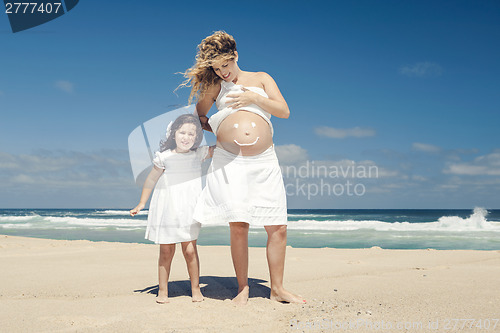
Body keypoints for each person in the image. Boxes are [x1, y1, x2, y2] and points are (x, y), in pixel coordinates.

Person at [180, 31, 306, 305]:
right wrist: (218, 127)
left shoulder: (261, 78)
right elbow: (198, 116)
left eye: (225, 65)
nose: (222, 72)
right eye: (216, 68)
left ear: (235, 56)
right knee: (239, 225)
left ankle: (278, 289)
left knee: (277, 226)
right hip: (229, 160)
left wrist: (253, 99)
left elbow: (283, 111)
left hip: (264, 161)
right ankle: (242, 288)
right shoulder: (216, 86)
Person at [130, 113, 214, 304]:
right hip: (167, 208)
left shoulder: (198, 154)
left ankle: (195, 289)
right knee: (166, 251)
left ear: (197, 137)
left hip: (189, 210)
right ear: (173, 134)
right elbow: (151, 179)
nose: (186, 137)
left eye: (192, 134)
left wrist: (211, 126)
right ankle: (163, 290)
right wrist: (142, 203)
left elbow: (224, 146)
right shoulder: (164, 157)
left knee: (190, 250)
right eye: (182, 132)